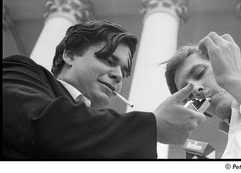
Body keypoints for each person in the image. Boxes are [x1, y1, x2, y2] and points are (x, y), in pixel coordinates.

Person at [2, 20, 206, 160]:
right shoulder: (20, 70)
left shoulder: (98, 130)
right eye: (109, 60)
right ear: (70, 55)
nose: (118, 75)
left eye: (124, 71)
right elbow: (42, 125)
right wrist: (152, 125)